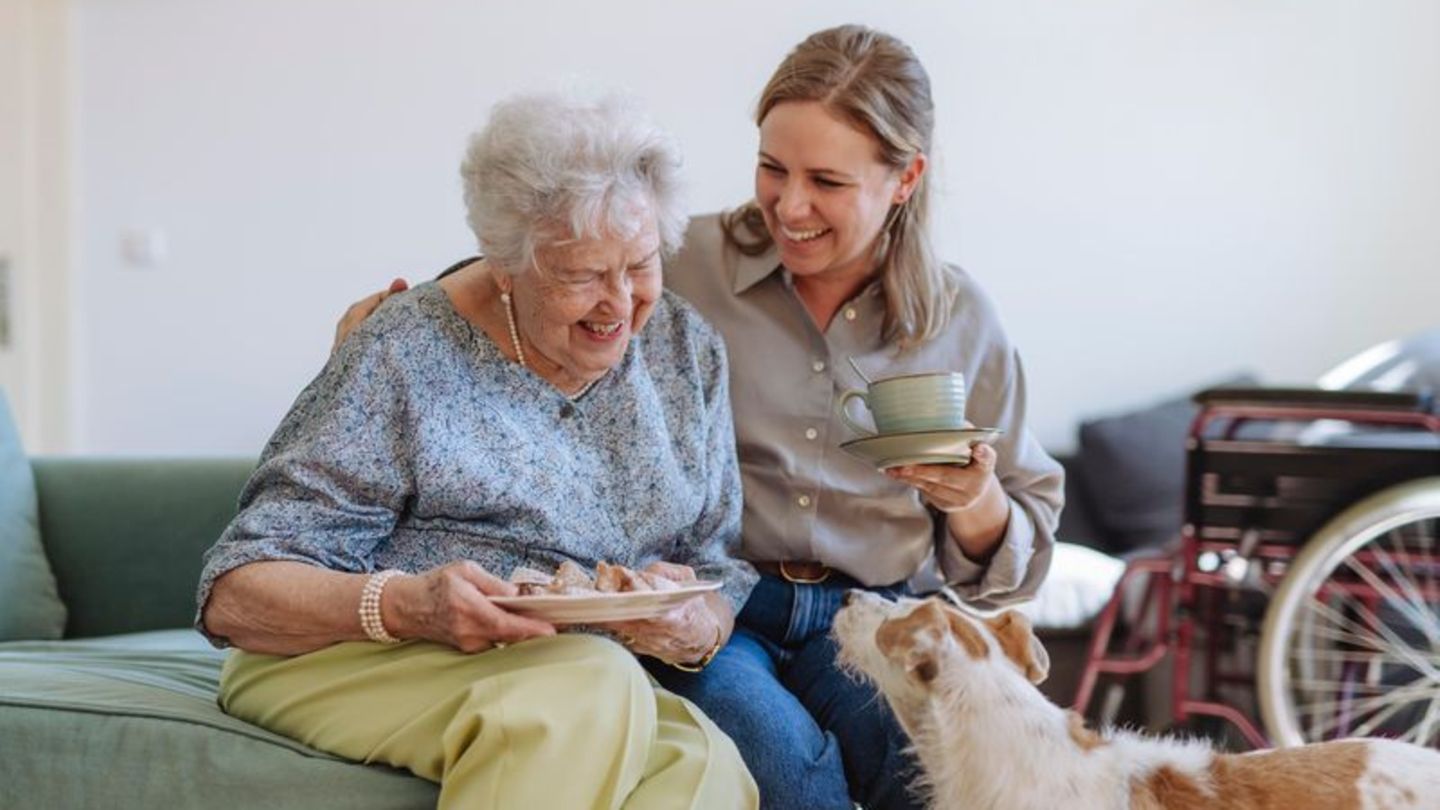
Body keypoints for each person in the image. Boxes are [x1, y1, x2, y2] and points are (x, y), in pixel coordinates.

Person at [337, 25, 1063, 810]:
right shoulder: (676, 260)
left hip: (871, 614)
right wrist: (399, 322)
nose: (791, 206)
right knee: (787, 773)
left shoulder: (962, 319)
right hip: (718, 605)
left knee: (924, 765)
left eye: (826, 181)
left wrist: (974, 502)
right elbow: (534, 267)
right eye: (772, 168)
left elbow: (1022, 550)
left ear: (905, 177)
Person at [197, 91, 760, 810]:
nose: (620, 303)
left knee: (705, 766)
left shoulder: (686, 351)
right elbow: (235, 595)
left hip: (565, 668)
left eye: (640, 266)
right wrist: (409, 606)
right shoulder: (406, 348)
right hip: (355, 653)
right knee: (590, 685)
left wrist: (694, 624)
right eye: (583, 275)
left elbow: (714, 564)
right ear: (505, 264)